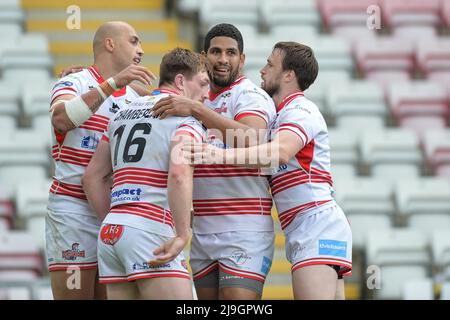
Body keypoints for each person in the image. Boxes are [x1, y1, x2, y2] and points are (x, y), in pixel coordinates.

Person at [185, 42, 352, 300]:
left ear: (289, 75)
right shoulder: (282, 113)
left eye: (270, 65)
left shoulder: (300, 110)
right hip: (308, 225)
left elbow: (279, 153)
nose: (262, 71)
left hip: (316, 223)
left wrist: (217, 155)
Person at [151, 23, 276, 300]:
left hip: (243, 228)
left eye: (231, 53)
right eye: (216, 51)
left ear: (241, 60)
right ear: (204, 56)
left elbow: (252, 141)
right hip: (203, 230)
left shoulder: (249, 95)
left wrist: (197, 110)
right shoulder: (196, 96)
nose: (222, 59)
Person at [82, 48, 211, 300]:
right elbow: (178, 174)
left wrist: (119, 221)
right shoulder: (185, 120)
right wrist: (183, 234)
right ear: (181, 82)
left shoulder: (120, 114)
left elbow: (91, 178)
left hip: (112, 231)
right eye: (203, 84)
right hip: (151, 228)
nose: (207, 93)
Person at [46, 21, 155, 300]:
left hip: (113, 210)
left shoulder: (133, 96)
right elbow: (61, 118)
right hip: (74, 211)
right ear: (110, 43)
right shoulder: (74, 81)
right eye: (133, 41)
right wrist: (112, 84)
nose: (140, 50)